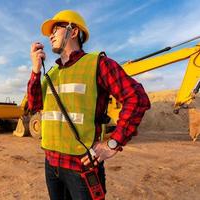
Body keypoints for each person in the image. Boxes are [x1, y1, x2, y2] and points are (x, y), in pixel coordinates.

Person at [27, 10, 150, 200]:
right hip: (51, 165)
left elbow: (137, 98)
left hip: (81, 167)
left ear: (73, 31)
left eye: (56, 29)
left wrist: (113, 143)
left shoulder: (98, 64)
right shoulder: (50, 73)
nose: (50, 35)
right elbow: (34, 105)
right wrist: (35, 70)